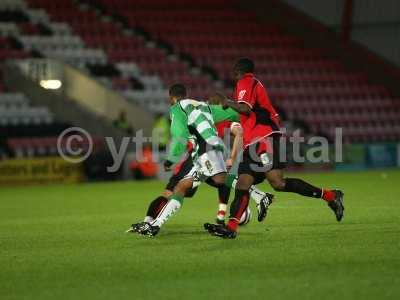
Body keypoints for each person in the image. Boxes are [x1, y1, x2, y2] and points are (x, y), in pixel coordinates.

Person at [205, 58, 344, 239]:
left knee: (278, 183)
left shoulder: (245, 81)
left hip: (263, 139)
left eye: (234, 72)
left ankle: (331, 196)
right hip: (253, 142)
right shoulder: (252, 85)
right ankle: (231, 228)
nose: (233, 75)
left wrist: (226, 101)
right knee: (242, 183)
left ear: (238, 71)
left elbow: (245, 109)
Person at [127, 84, 273, 237]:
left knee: (221, 179)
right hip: (204, 152)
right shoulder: (202, 105)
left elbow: (180, 135)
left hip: (207, 148)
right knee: (181, 187)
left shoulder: (177, 109)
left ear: (171, 97)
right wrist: (252, 116)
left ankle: (261, 196)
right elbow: (230, 114)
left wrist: (172, 159)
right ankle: (155, 226)